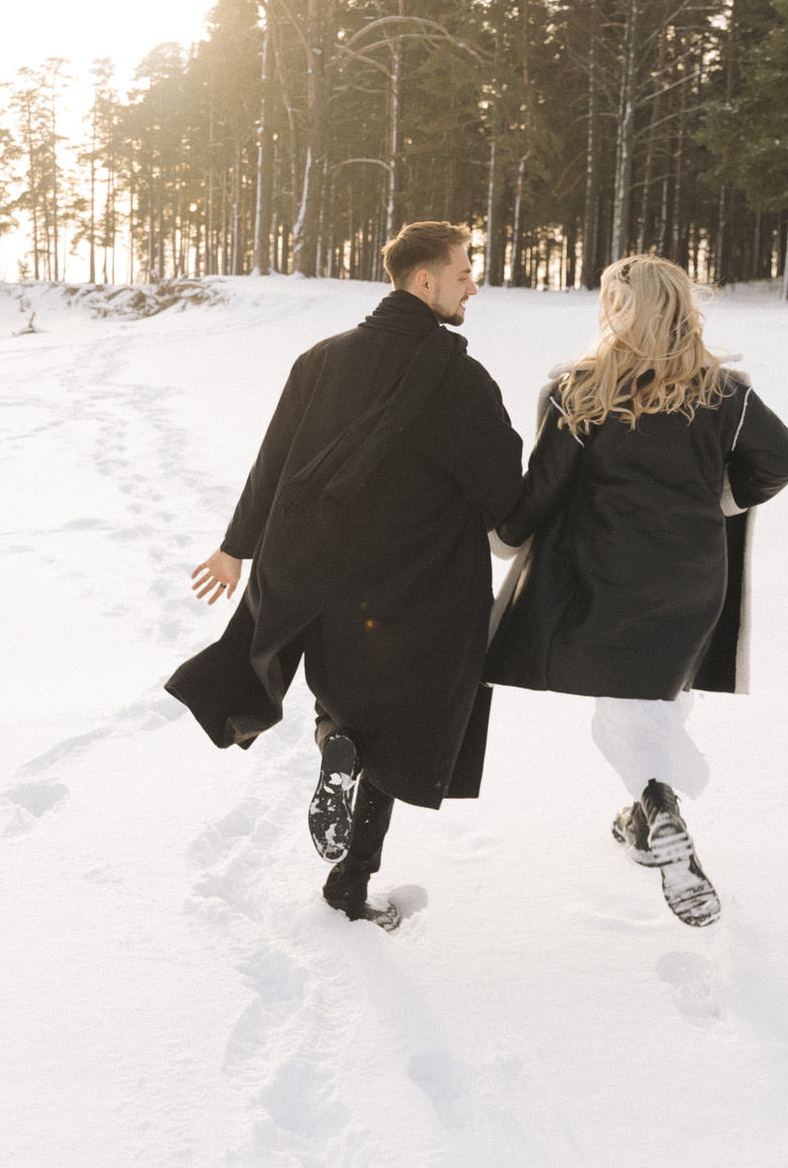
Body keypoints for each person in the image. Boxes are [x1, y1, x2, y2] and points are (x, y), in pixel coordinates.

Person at [166, 222, 523, 928]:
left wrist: (236, 548)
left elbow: (273, 461)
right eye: (462, 275)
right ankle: (349, 880)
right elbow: (503, 495)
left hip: (314, 574)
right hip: (417, 585)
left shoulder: (321, 360)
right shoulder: (461, 378)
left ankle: (336, 752)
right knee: (403, 722)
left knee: (348, 708)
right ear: (424, 280)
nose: (473, 287)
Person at [484, 254, 788, 927]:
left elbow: (544, 487)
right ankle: (641, 823)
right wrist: (721, 499)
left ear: (617, 309)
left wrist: (502, 534)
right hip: (692, 578)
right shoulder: (723, 393)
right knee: (657, 699)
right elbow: (782, 459)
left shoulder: (580, 389)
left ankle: (659, 807)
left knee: (626, 713)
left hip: (602, 578)